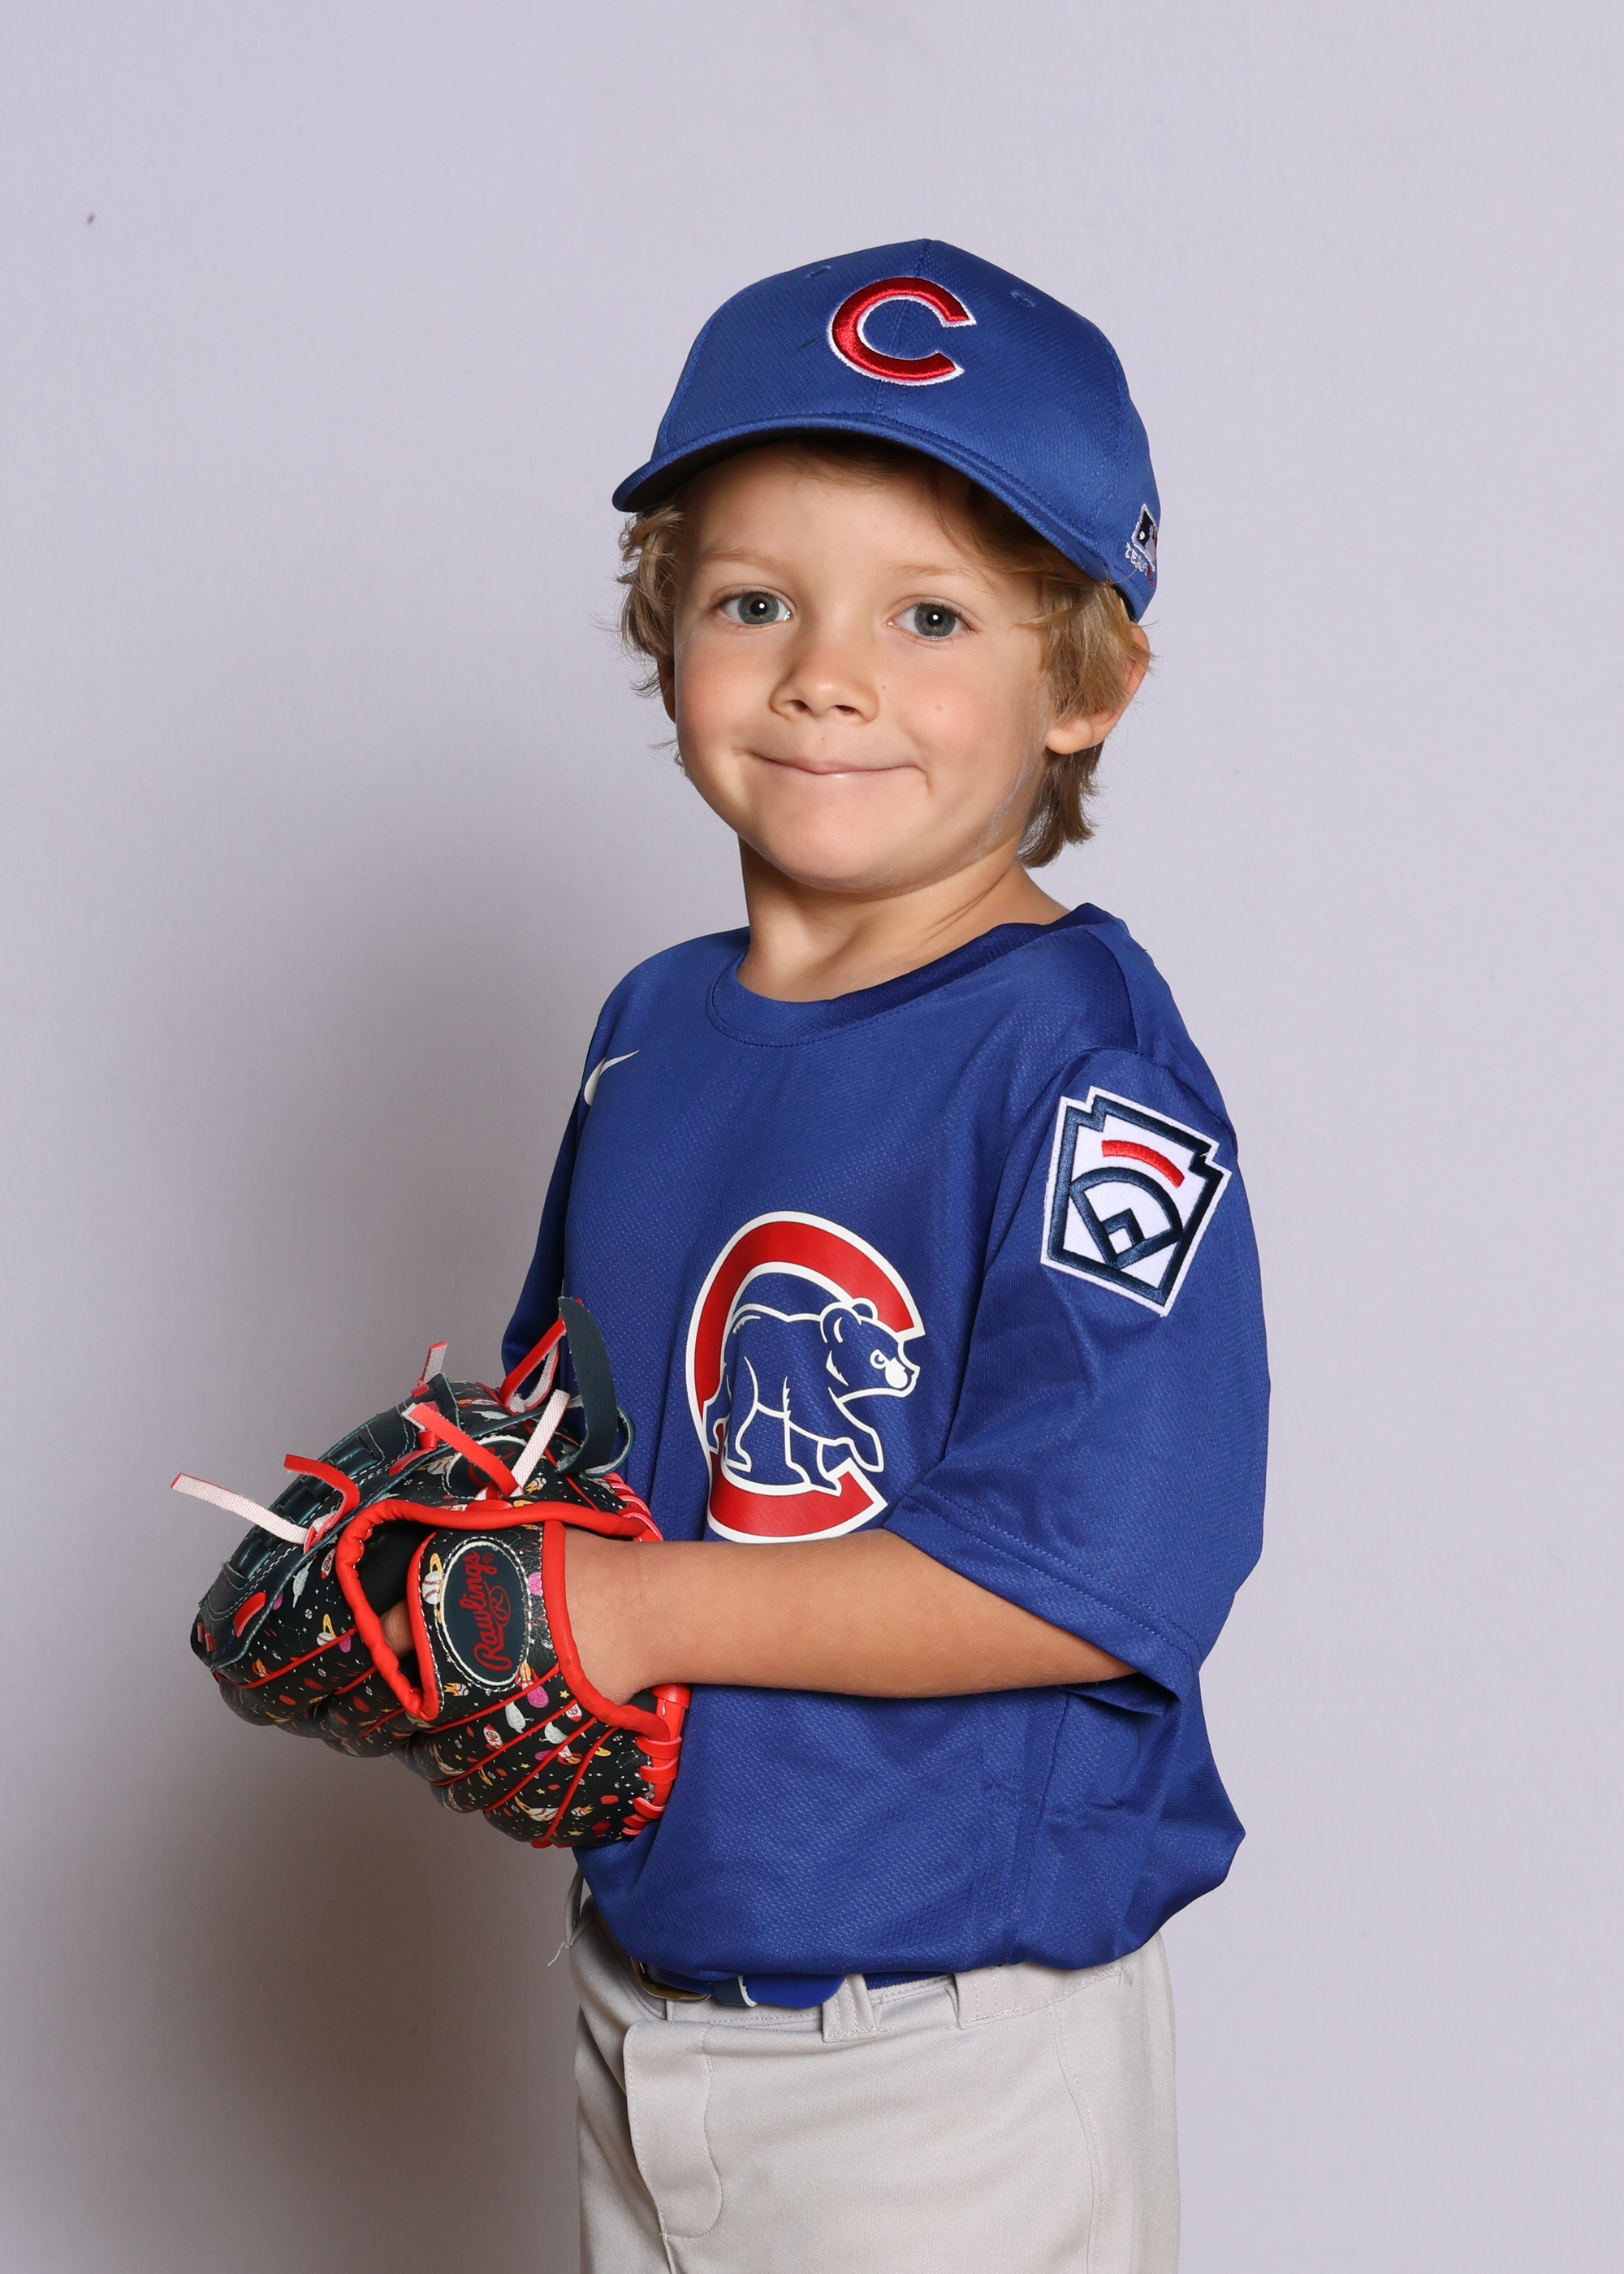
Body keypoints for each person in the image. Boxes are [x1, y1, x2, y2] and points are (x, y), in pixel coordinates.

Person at [419, 241, 1268, 2272]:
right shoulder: (651, 1027)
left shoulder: (1081, 1067)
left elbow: (1089, 1570)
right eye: (751, 600)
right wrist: (455, 1553)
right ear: (666, 637)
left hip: (942, 2049)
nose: (825, 673)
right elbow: (582, 1444)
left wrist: (624, 1611)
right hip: (639, 1985)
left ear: (1086, 684)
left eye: (931, 614)